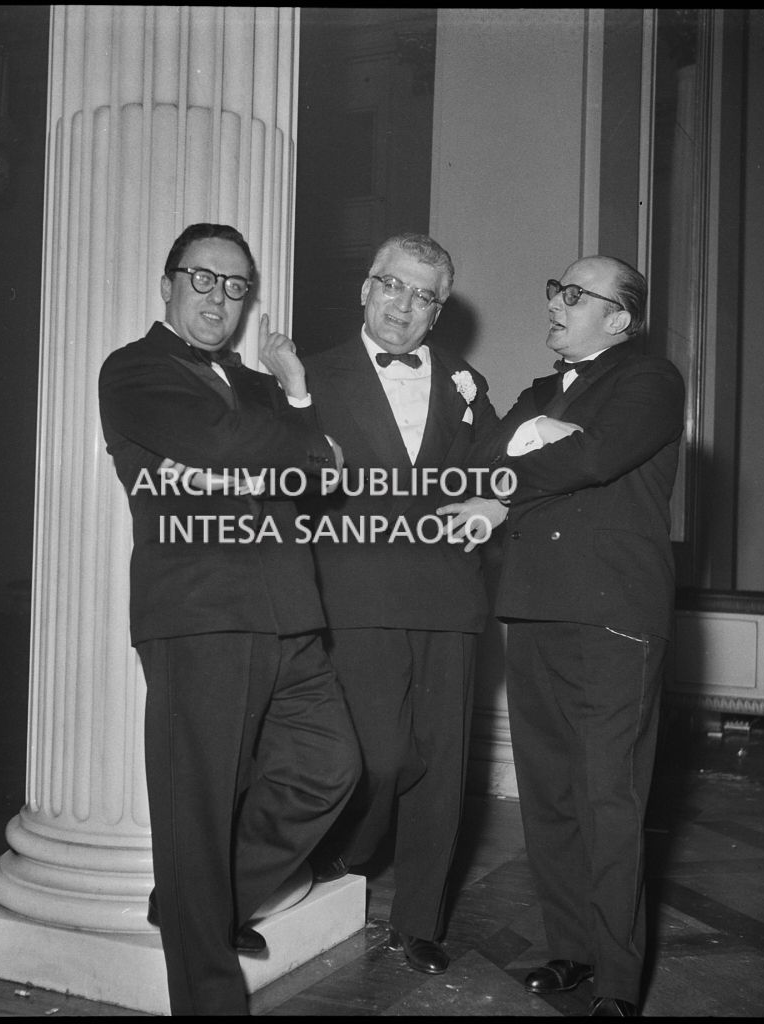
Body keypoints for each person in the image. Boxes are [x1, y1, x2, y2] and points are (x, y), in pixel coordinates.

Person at [97, 223, 360, 1016]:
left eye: (236, 285)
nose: (219, 298)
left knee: (330, 766)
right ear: (168, 285)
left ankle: (197, 902)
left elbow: (317, 480)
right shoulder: (134, 370)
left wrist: (297, 395)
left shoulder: (258, 385)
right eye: (203, 279)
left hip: (290, 612)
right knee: (198, 808)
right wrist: (298, 446)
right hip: (202, 612)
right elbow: (231, 442)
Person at [277, 232, 509, 976]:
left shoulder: (465, 384)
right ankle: (350, 854)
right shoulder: (312, 376)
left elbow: (495, 469)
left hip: (449, 596)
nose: (404, 306)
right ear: (366, 289)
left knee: (441, 768)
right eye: (393, 285)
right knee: (378, 757)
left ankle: (419, 921)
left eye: (423, 296)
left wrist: (495, 501)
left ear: (438, 312)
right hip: (356, 593)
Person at [491, 255, 685, 1017]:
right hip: (533, 605)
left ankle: (616, 981)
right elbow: (485, 461)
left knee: (609, 797)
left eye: (574, 295)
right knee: (549, 793)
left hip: (613, 614)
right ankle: (570, 950)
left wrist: (540, 445)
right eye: (555, 290)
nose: (555, 303)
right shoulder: (537, 394)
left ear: (619, 318)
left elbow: (595, 456)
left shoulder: (650, 380)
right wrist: (547, 431)